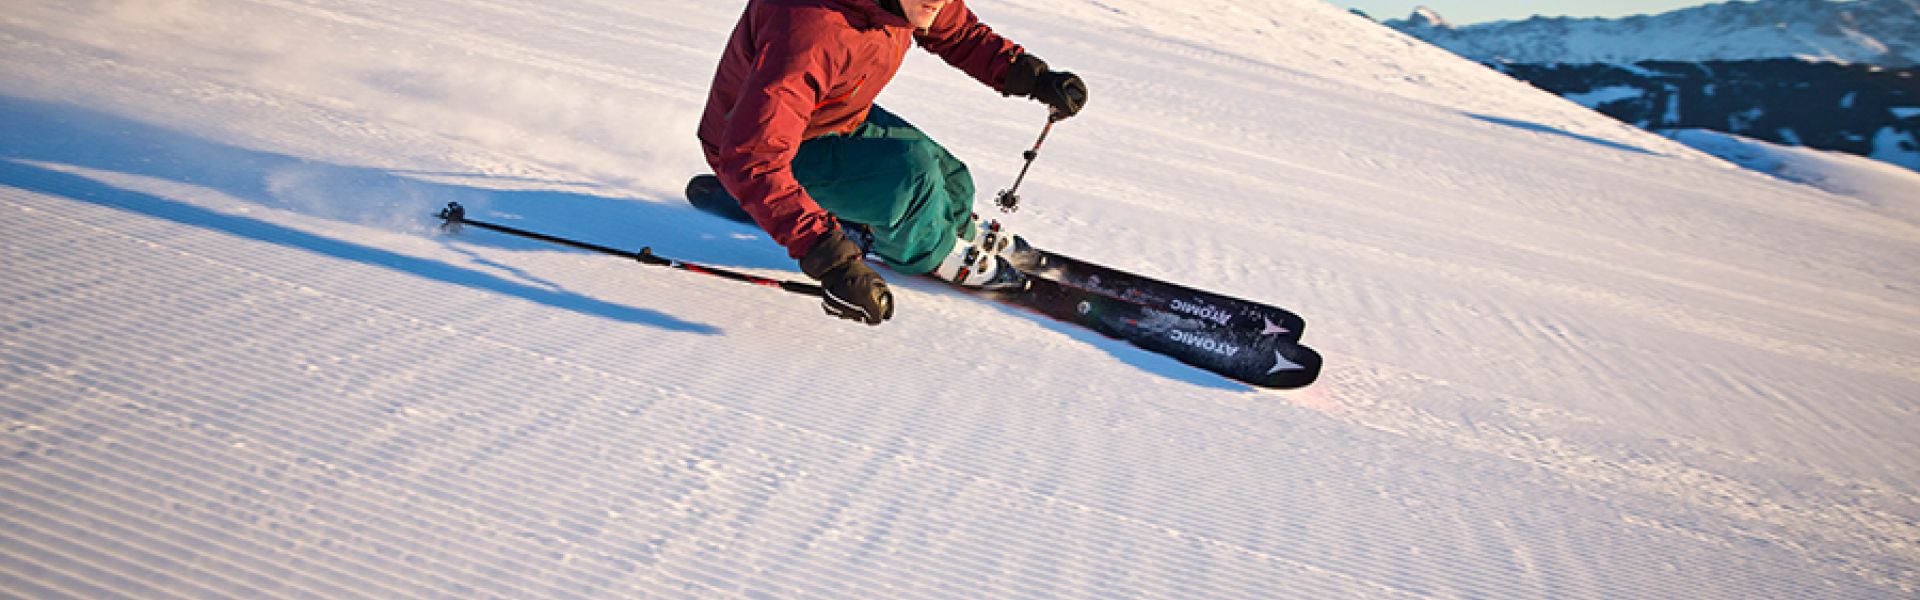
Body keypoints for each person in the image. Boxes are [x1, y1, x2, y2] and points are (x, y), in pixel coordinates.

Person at [697, 0, 1087, 326]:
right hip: (759, 145)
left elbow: (958, 32)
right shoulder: (809, 27)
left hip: (832, 116)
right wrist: (830, 260)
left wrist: (1032, 77)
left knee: (949, 177)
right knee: (911, 181)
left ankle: (952, 228)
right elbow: (753, 155)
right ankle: (931, 252)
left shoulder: (904, 3)